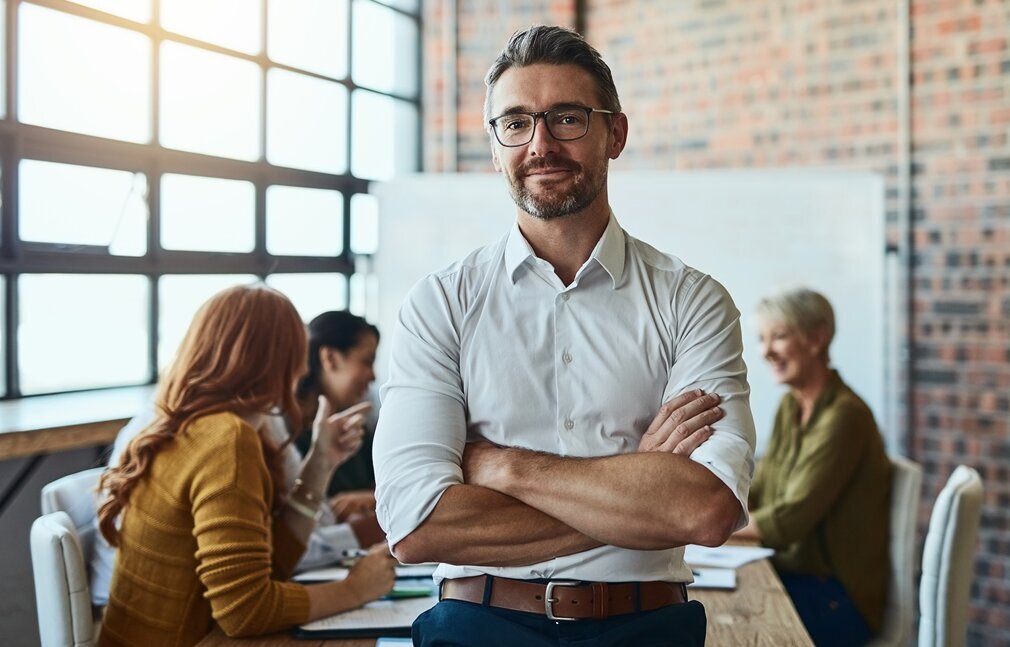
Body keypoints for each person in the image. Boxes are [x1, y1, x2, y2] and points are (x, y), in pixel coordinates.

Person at [372, 26, 756, 646]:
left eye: (568, 119)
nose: (541, 143)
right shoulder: (441, 304)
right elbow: (417, 526)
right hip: (477, 625)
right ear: (496, 148)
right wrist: (640, 483)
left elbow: (704, 509)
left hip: (646, 626)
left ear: (616, 133)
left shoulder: (692, 301)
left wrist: (499, 466)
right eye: (516, 123)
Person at [96, 285, 395, 647]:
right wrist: (355, 590)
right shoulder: (228, 440)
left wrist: (319, 463)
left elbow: (268, 571)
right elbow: (244, 611)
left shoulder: (199, 425)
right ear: (278, 359)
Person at [733, 287, 891, 646]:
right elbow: (757, 490)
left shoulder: (844, 416)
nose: (766, 351)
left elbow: (789, 521)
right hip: (797, 577)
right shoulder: (791, 407)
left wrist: (702, 527)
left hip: (838, 599)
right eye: (762, 338)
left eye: (780, 336)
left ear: (817, 338)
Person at [292, 310, 382, 538]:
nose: (372, 376)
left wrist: (371, 499)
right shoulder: (284, 433)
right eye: (366, 361)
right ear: (330, 358)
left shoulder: (358, 428)